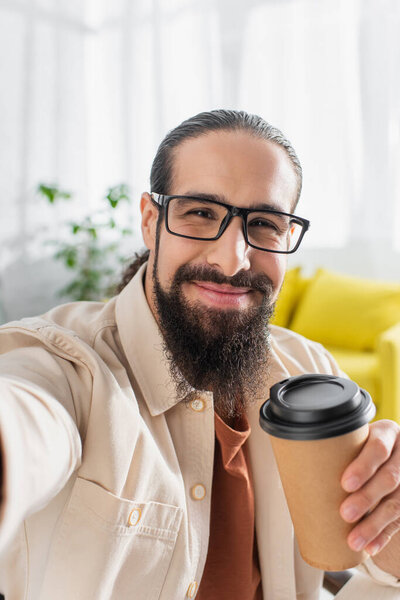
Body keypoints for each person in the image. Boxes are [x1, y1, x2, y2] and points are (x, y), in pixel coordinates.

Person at [0, 110, 399, 600]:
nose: (232, 258)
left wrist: (390, 555)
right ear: (152, 222)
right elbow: (26, 416)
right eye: (201, 213)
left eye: (265, 224)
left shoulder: (310, 372)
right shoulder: (68, 367)